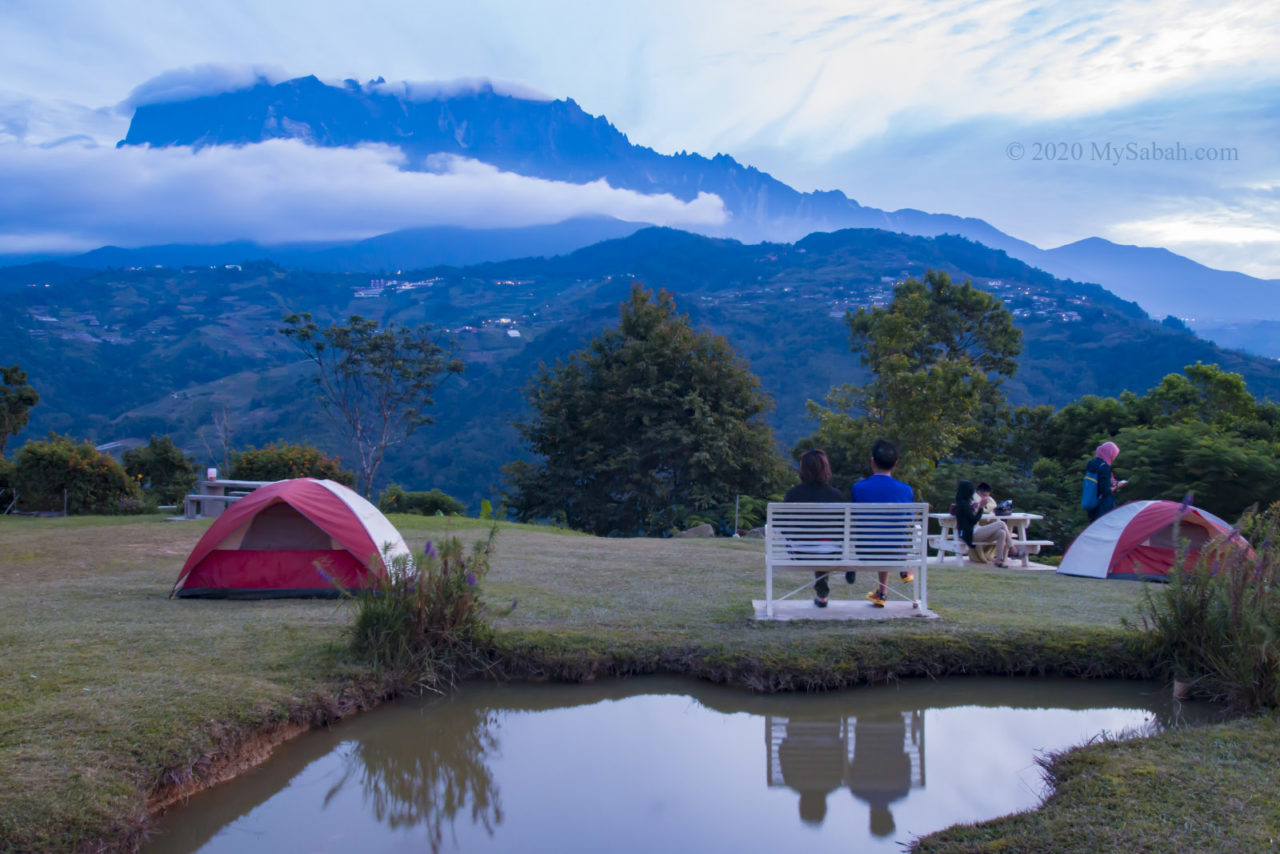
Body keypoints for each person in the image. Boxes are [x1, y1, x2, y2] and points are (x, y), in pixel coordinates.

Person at [850, 438, 915, 607]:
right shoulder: (906, 490)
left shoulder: (858, 488)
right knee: (891, 536)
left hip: (865, 551)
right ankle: (904, 568)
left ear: (872, 462)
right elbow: (908, 520)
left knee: (878, 534)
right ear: (896, 464)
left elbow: (855, 518)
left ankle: (883, 593)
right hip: (894, 552)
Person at [784, 449, 847, 608]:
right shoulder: (836, 496)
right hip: (829, 553)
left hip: (799, 552)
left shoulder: (792, 494)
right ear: (825, 469)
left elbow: (782, 527)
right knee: (824, 546)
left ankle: (822, 595)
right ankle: (822, 595)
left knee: (816, 544)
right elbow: (843, 530)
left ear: (803, 470)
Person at [953, 479, 1013, 567]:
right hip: (971, 534)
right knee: (1001, 524)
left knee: (1002, 533)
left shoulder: (966, 503)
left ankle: (999, 560)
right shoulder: (963, 504)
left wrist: (978, 507)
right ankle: (1013, 548)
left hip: (976, 530)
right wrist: (981, 507)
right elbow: (974, 520)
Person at [1085, 441, 1125, 522]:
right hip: (1103, 508)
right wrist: (1118, 485)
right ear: (1110, 453)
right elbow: (1105, 491)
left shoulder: (1092, 463)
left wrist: (1111, 482)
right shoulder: (1105, 467)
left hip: (1092, 504)